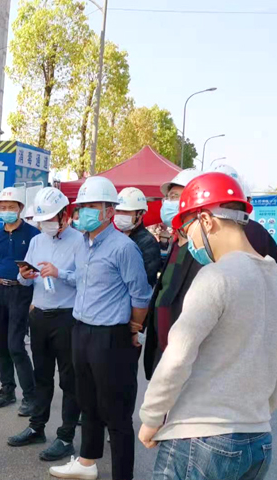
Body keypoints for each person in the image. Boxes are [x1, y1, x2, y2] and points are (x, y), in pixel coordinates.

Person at [139, 172, 277, 480]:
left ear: (206, 220)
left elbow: (178, 355)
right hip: (258, 438)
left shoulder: (216, 276)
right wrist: (259, 413)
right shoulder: (273, 276)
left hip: (201, 437)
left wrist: (151, 416)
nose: (190, 243)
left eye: (188, 231)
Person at [49, 176, 152, 480]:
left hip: (110, 337)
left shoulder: (124, 248)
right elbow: (82, 280)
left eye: (92, 206)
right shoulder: (83, 244)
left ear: (109, 211)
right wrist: (57, 273)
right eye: (82, 206)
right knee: (88, 403)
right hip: (81, 331)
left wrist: (134, 327)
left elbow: (140, 295)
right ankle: (86, 463)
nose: (84, 212)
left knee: (116, 412)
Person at [144, 167, 277, 379]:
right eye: (169, 197)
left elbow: (181, 354)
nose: (169, 202)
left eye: (176, 196)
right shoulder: (179, 243)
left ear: (204, 217)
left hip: (195, 369)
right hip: (170, 356)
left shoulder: (212, 267)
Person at [8, 187, 82, 463]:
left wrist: (60, 273)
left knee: (69, 379)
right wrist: (24, 275)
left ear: (64, 215)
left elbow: (85, 279)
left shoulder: (80, 241)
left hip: (67, 317)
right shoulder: (37, 240)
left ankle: (65, 437)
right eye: (42, 220)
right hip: (39, 315)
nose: (46, 224)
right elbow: (27, 279)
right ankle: (37, 427)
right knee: (42, 377)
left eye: (51, 218)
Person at [0, 187, 39, 416]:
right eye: (3, 207)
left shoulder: (33, 234)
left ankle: (31, 396)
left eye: (11, 207)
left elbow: (37, 267)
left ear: (20, 208)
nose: (7, 210)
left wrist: (34, 298)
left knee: (16, 346)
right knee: (1, 346)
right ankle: (7, 389)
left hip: (20, 293)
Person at [115, 187, 162, 286]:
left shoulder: (148, 243)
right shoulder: (115, 238)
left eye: (126, 212)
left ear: (140, 214)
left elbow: (145, 279)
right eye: (118, 211)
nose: (120, 215)